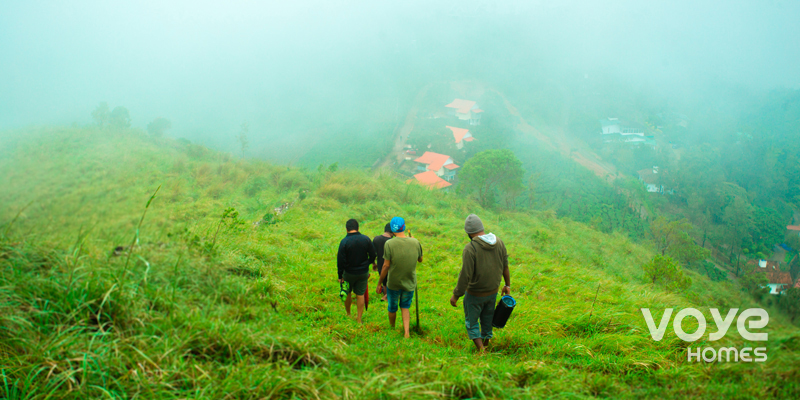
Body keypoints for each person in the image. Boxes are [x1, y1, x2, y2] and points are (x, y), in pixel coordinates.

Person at [449, 214, 511, 351]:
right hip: (492, 292)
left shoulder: (470, 248)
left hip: (475, 294)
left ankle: (481, 350)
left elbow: (465, 275)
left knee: (472, 322)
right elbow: (505, 266)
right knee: (487, 320)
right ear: (482, 228)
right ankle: (486, 346)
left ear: (468, 233)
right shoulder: (499, 242)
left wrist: (456, 295)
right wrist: (507, 285)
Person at [377, 216, 423, 338]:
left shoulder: (389, 243)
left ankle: (392, 328)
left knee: (392, 307)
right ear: (404, 227)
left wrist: (379, 282)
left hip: (393, 283)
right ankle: (407, 333)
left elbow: (386, 266)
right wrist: (413, 241)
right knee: (405, 306)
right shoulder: (415, 242)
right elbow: (420, 259)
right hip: (410, 281)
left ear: (392, 229)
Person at [337, 219, 376, 324]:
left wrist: (340, 275)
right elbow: (373, 254)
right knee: (360, 294)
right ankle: (359, 318)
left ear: (346, 229)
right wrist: (367, 263)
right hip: (362, 272)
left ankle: (348, 314)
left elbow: (340, 260)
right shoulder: (366, 239)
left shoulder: (344, 242)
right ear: (358, 228)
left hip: (348, 272)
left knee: (348, 292)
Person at [372, 223, 394, 301]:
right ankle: (387, 297)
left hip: (380, 264)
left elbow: (373, 253)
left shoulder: (376, 239)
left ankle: (385, 295)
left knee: (384, 282)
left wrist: (373, 263)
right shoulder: (392, 241)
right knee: (390, 282)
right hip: (390, 265)